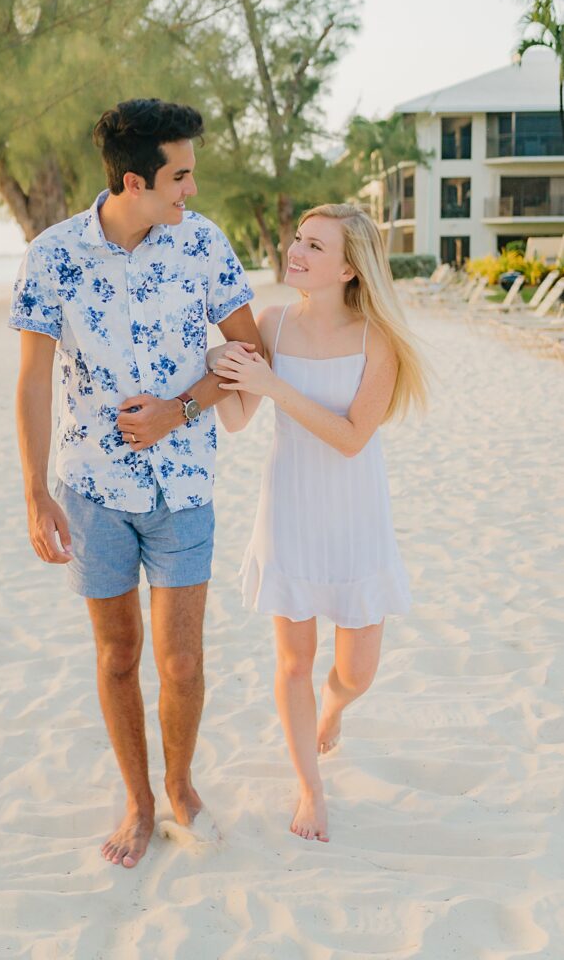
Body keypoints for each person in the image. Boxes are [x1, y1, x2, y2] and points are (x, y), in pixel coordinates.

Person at [9, 98, 261, 869]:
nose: (190, 189)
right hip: (90, 491)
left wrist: (181, 410)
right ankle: (137, 799)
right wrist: (34, 490)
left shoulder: (204, 245)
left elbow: (249, 356)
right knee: (117, 655)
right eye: (178, 175)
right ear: (132, 180)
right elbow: (31, 380)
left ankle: (180, 787)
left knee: (181, 660)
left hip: (184, 488)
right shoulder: (51, 255)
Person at [208, 203, 427, 843]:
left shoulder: (376, 339)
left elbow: (353, 437)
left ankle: (333, 709)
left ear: (350, 269)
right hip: (291, 506)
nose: (295, 252)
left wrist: (273, 386)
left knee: (357, 670)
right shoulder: (273, 322)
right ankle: (310, 788)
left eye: (314, 246)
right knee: (294, 660)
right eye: (298, 239)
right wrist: (221, 366)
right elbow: (239, 417)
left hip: (355, 511)